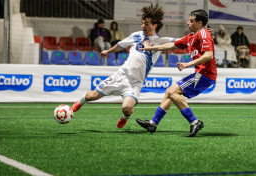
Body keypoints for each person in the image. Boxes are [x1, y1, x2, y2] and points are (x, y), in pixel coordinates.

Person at [71, 3, 175, 128]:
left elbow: (181, 41)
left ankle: (126, 117)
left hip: (135, 83)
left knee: (126, 108)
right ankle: (79, 103)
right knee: (91, 96)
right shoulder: (136, 35)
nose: (143, 26)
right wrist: (108, 51)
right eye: (142, 23)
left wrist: (199, 36)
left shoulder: (160, 41)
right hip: (121, 75)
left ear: (155, 25)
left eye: (146, 24)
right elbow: (121, 44)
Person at [136, 9, 217, 137]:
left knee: (173, 93)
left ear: (200, 23)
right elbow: (170, 45)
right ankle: (153, 124)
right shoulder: (191, 37)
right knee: (170, 91)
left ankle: (194, 122)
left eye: (191, 21)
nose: (187, 23)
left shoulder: (204, 34)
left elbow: (209, 55)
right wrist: (151, 48)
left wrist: (188, 64)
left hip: (205, 75)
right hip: (200, 74)